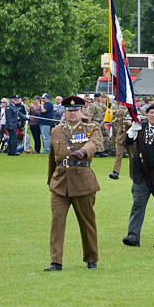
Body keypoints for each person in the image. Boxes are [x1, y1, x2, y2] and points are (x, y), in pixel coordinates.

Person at [44, 96, 102, 271]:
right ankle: (56, 261)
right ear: (65, 112)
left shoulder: (92, 128)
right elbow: (52, 160)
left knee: (87, 222)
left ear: (81, 112)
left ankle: (91, 259)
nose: (72, 113)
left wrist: (84, 152)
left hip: (83, 182)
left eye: (75, 110)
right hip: (60, 183)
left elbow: (94, 144)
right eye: (69, 111)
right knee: (57, 222)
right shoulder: (56, 131)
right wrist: (50, 181)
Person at [122, 103, 154, 247]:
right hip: (141, 175)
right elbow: (128, 142)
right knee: (138, 204)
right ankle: (133, 236)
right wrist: (131, 131)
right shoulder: (140, 127)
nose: (153, 116)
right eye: (151, 113)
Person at [109, 107, 135, 180]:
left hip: (130, 136)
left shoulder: (132, 111)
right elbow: (118, 118)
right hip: (121, 136)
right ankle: (116, 173)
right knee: (119, 155)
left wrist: (131, 123)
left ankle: (133, 174)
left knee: (132, 156)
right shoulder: (119, 112)